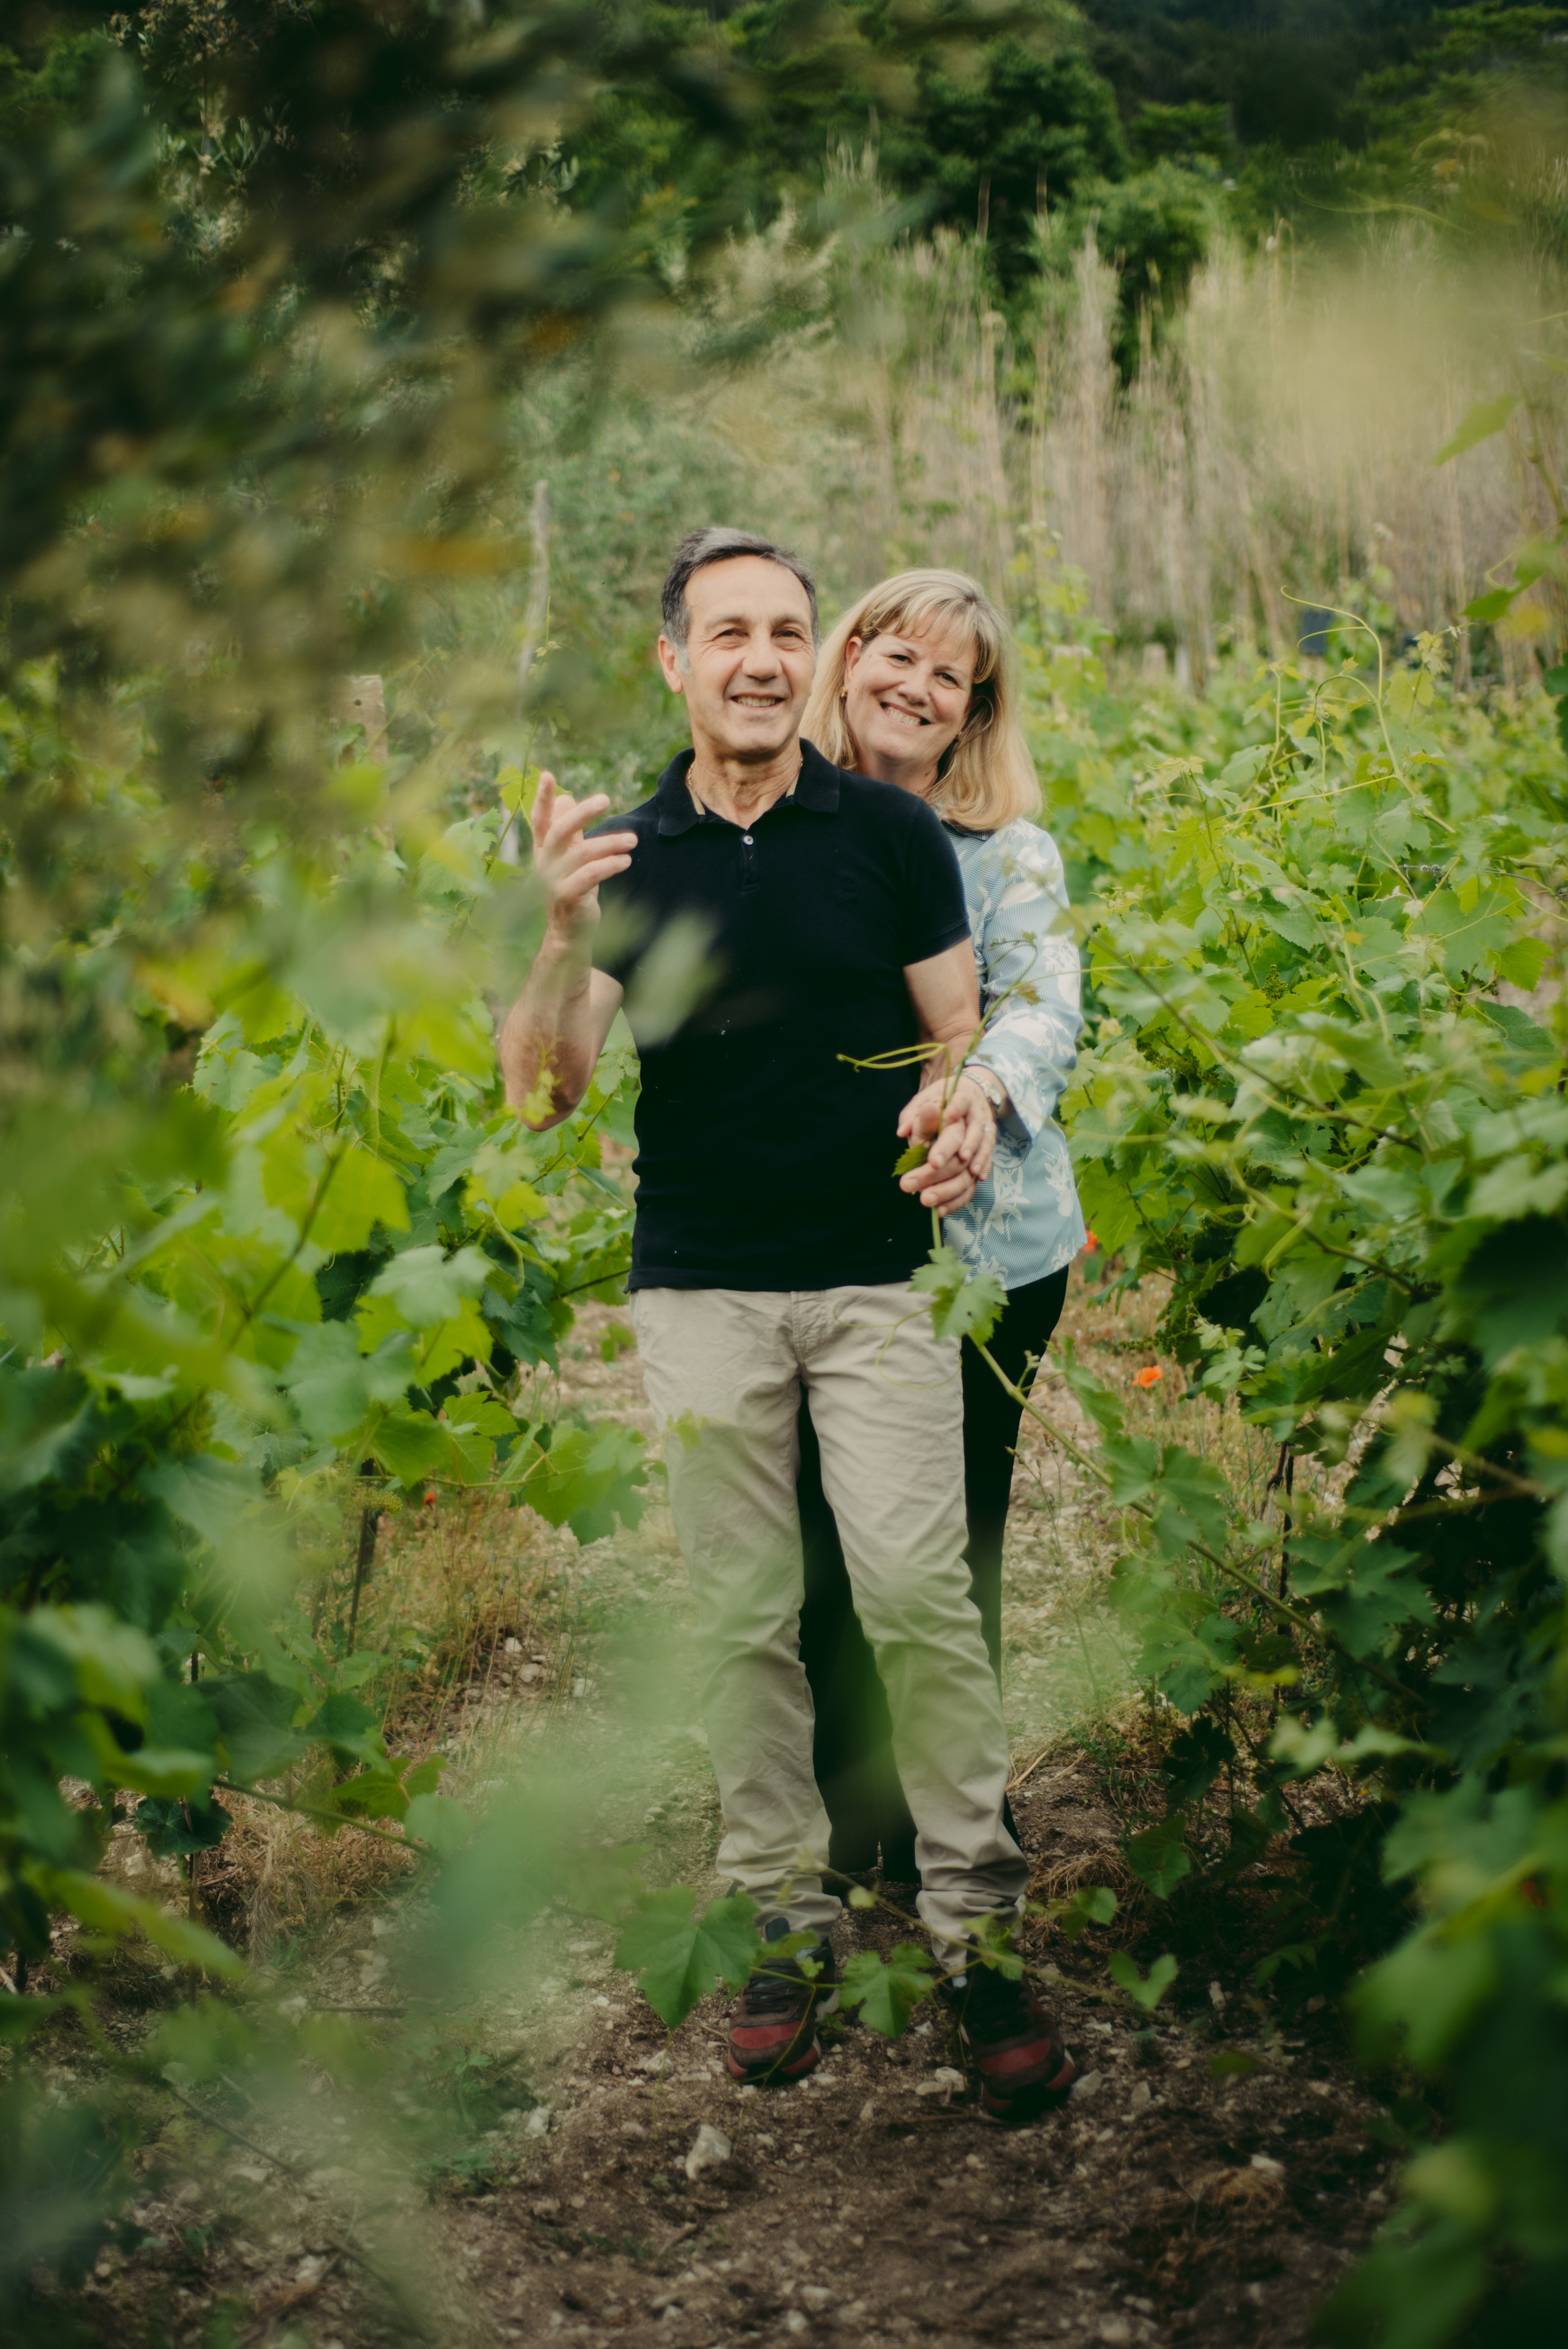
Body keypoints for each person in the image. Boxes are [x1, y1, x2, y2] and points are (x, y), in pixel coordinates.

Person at [498, 528, 1074, 2119]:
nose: (758, 657)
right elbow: (543, 1093)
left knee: (917, 1598)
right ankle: (784, 1921)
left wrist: (956, 1108)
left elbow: (954, 1028)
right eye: (726, 631)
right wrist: (556, 938)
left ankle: (974, 1933)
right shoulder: (628, 854)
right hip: (699, 1287)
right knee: (746, 1616)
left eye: (783, 630)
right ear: (674, 661)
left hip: (880, 1281)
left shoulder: (891, 832)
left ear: (808, 654)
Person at [794, 568, 1087, 1894]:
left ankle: (958, 1815)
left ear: (973, 711)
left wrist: (973, 1089)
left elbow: (1043, 1008)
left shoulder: (1007, 853)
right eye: (896, 655)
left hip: (984, 1254)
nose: (915, 688)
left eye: (948, 676)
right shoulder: (776, 823)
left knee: (952, 1540)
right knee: (825, 1536)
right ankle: (854, 1810)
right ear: (850, 658)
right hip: (808, 1242)